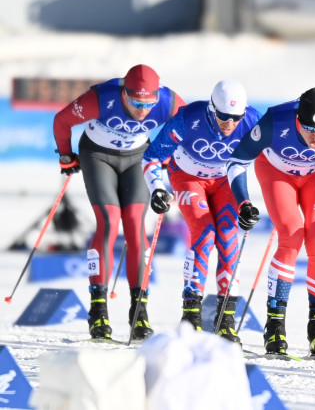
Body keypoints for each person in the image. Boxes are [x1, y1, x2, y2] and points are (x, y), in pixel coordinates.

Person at [226, 87, 315, 357]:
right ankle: (275, 325)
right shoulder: (274, 121)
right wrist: (243, 203)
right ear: (296, 121)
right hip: (276, 171)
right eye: (309, 129)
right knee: (291, 236)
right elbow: (236, 162)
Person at [53, 64, 187, 340]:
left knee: (136, 226)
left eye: (148, 103)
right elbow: (61, 121)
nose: (142, 110)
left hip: (137, 157)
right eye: (136, 102)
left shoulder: (169, 102)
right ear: (123, 93)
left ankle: (140, 312)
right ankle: (98, 310)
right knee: (109, 222)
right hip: (97, 156)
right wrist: (66, 156)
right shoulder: (101, 99)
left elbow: (192, 131)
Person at [141, 79, 261, 343]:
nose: (229, 125)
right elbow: (152, 157)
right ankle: (191, 313)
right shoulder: (187, 118)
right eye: (223, 117)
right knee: (205, 235)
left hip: (225, 181)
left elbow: (274, 155)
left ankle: (226, 318)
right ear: (211, 108)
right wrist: (157, 189)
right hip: (187, 177)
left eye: (235, 118)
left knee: (229, 240)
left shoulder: (252, 119)